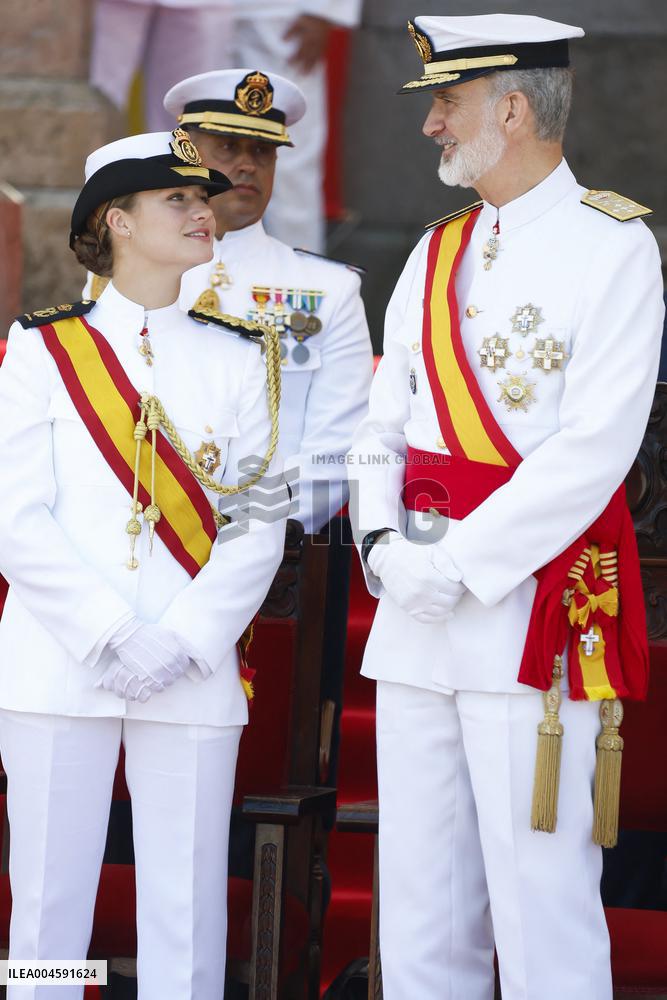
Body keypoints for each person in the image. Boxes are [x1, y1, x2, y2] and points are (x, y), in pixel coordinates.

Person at [349, 14, 664, 1000]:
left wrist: (451, 565)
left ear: (513, 107)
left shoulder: (612, 249)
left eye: (447, 103)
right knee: (418, 906)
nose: (433, 125)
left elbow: (589, 454)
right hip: (411, 618)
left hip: (530, 617)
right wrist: (380, 544)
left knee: (540, 907)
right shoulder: (435, 250)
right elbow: (379, 423)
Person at [0, 129, 288, 999]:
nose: (206, 212)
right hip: (61, 658)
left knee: (187, 905)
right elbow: (17, 517)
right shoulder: (44, 350)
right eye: (178, 200)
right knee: (49, 905)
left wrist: (188, 637)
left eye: (203, 199)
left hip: (190, 666)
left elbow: (258, 515)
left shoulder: (244, 353)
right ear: (116, 221)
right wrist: (113, 632)